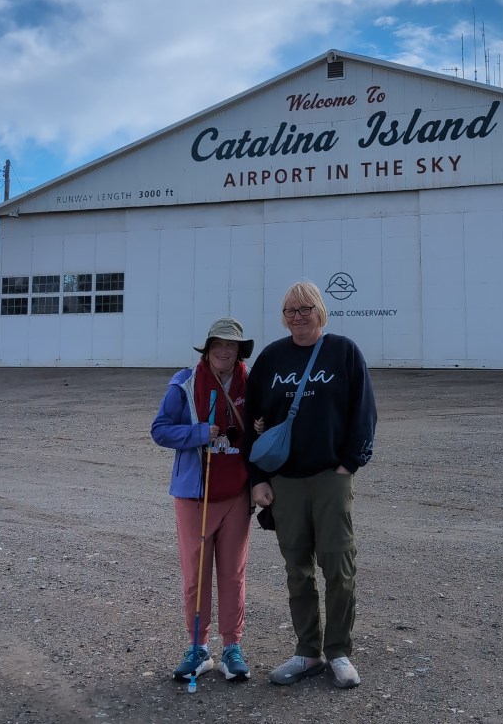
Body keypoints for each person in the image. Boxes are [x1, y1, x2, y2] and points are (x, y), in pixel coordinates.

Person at [244, 281, 377, 689]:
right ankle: (307, 652)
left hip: (329, 478)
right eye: (290, 310)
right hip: (285, 482)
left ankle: (338, 652)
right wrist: (258, 480)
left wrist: (349, 463)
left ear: (320, 310)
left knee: (339, 565)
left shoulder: (344, 351)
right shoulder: (271, 358)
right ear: (282, 317)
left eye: (305, 309)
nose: (297, 316)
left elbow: (364, 411)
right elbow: (252, 422)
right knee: (297, 570)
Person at [151, 317, 255, 683]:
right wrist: (197, 433)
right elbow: (159, 430)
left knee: (233, 573)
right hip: (195, 495)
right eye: (218, 345)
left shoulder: (251, 382)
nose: (224, 351)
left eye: (231, 346)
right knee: (196, 575)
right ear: (208, 348)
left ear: (240, 350)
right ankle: (198, 647)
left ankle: (232, 647)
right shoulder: (184, 383)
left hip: (236, 495)